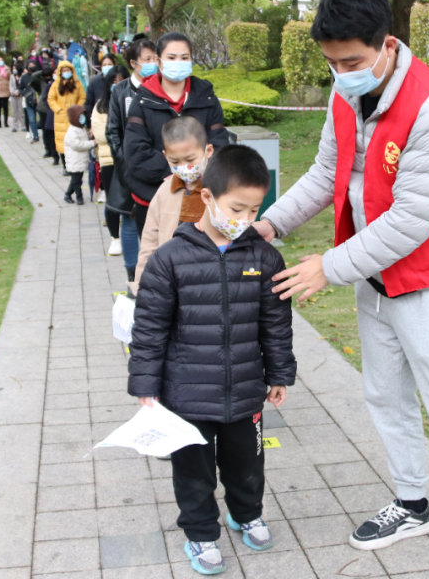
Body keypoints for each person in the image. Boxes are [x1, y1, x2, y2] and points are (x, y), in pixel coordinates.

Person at [251, 0, 429, 579]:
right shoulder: (347, 98)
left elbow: (411, 221)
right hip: (375, 280)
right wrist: (270, 225)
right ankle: (412, 502)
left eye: (352, 63)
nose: (341, 75)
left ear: (387, 45)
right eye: (332, 64)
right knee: (385, 396)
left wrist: (329, 266)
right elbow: (325, 173)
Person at [128, 144, 295, 577]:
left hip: (244, 392)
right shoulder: (170, 261)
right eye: (237, 208)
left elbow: (275, 323)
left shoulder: (263, 257)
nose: (245, 220)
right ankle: (201, 534)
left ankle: (247, 512)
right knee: (194, 472)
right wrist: (146, 386)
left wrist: (279, 374)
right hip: (185, 396)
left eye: (255, 209)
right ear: (207, 197)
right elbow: (148, 329)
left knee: (247, 465)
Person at [124, 31, 230, 237]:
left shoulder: (206, 96)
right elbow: (135, 152)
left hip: (202, 197)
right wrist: (180, 173)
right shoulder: (143, 100)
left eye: (184, 58)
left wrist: (198, 174)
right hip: (154, 197)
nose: (178, 63)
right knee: (157, 260)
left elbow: (219, 144)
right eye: (171, 58)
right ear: (158, 60)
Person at [131, 116, 214, 291]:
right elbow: (149, 242)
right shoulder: (164, 192)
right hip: (170, 282)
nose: (184, 167)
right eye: (175, 162)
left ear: (208, 151)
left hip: (210, 282)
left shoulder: (221, 190)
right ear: (165, 156)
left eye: (190, 160)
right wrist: (141, 285)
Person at [106, 38, 155, 283]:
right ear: (134, 63)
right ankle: (132, 273)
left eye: (156, 59)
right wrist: (126, 165)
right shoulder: (120, 91)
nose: (153, 64)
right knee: (129, 217)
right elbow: (112, 132)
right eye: (147, 60)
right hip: (128, 168)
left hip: (157, 166)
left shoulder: (162, 87)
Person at [91, 65, 128, 255]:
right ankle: (115, 238)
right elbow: (102, 135)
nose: (118, 85)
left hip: (131, 159)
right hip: (109, 159)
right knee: (113, 200)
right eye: (114, 82)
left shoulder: (134, 101)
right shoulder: (100, 107)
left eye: (121, 81)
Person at [47, 60, 85, 167]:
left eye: (68, 70)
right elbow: (51, 99)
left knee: (75, 140)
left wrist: (77, 108)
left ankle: (75, 163)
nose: (66, 72)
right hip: (61, 118)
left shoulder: (77, 84)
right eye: (64, 70)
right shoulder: (55, 85)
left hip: (74, 117)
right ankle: (65, 165)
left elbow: (82, 96)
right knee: (62, 142)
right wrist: (59, 110)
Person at [62, 104, 96, 205]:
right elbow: (78, 145)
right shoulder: (72, 131)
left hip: (80, 160)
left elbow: (83, 140)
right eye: (80, 117)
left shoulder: (81, 128)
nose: (83, 119)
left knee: (76, 180)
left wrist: (90, 137)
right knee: (77, 181)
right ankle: (79, 197)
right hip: (74, 160)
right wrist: (92, 143)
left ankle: (67, 194)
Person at [18, 63, 42, 143]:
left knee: (42, 119)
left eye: (33, 64)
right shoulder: (24, 77)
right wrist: (24, 93)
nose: (32, 66)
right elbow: (20, 88)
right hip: (29, 101)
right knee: (32, 119)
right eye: (30, 65)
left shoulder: (40, 75)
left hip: (39, 101)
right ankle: (35, 136)